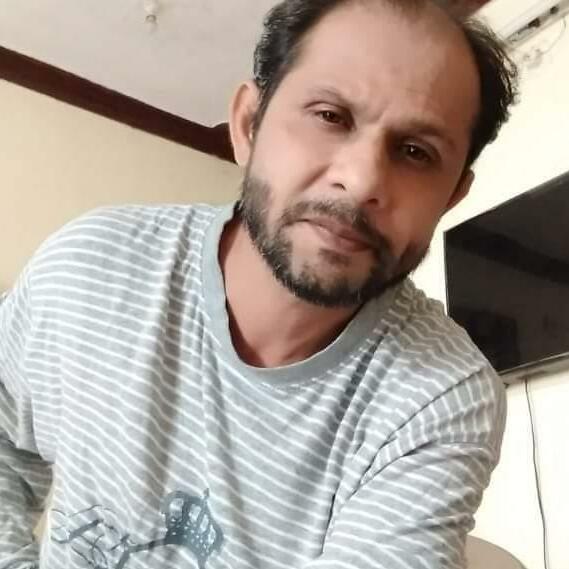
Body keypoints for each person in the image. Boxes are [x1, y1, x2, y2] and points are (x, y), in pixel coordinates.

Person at [0, 0, 518, 568]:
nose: (361, 180)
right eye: (331, 116)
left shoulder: (442, 395)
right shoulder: (91, 269)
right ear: (248, 124)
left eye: (416, 152)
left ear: (451, 196)